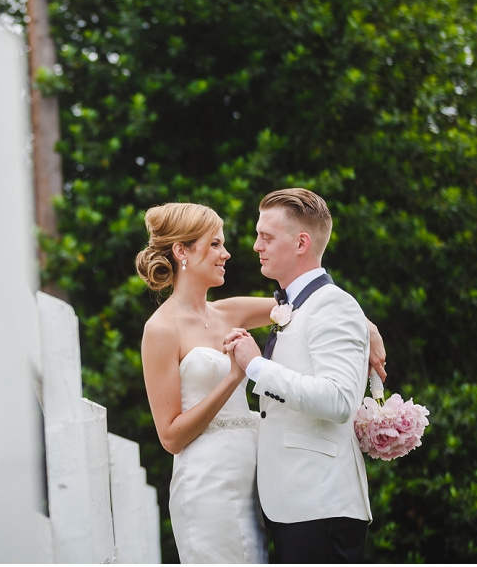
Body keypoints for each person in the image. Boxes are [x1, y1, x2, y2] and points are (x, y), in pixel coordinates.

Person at [136, 201, 385, 564]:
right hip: (209, 478)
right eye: (215, 244)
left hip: (258, 479)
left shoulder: (229, 311)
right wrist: (236, 376)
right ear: (181, 252)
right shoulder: (160, 329)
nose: (228, 253)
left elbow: (310, 302)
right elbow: (170, 436)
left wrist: (369, 328)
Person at [224, 188, 373, 563]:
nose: (257, 245)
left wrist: (255, 365)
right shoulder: (293, 305)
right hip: (294, 502)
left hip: (320, 502)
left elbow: (338, 401)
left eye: (267, 236)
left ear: (302, 242)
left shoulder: (333, 305)